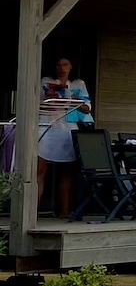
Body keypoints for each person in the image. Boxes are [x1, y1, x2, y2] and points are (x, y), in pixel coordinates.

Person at [38, 57, 91, 219]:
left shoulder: (78, 85)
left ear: (71, 67)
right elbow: (37, 102)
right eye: (59, 65)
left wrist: (73, 100)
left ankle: (65, 210)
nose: (62, 68)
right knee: (39, 168)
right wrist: (52, 96)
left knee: (67, 170)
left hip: (67, 127)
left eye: (65, 64)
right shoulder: (45, 82)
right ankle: (31, 209)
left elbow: (87, 108)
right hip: (47, 124)